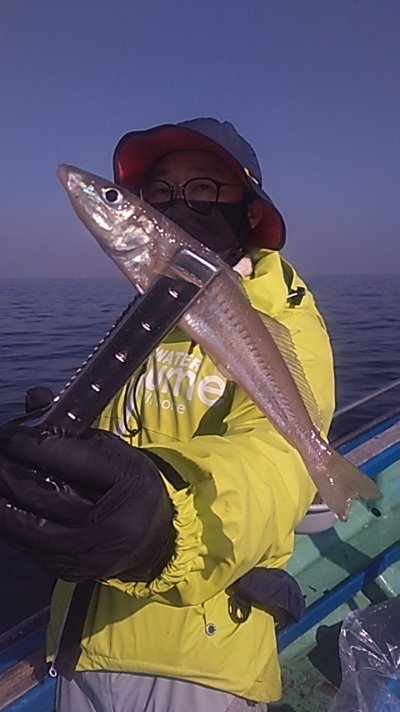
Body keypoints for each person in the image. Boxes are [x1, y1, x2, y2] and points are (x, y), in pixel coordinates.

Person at [0, 118, 335, 711]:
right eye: (159, 191)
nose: (180, 202)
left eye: (203, 187)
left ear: (250, 210)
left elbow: (274, 462)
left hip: (202, 662)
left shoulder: (285, 318)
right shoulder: (149, 317)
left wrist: (164, 526)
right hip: (80, 647)